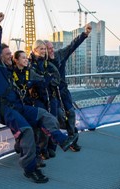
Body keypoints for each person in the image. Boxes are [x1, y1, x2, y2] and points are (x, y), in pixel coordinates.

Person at [0, 12, 77, 183]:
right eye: (7, 54)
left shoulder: (9, 69)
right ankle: (30, 169)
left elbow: (25, 74)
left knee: (44, 115)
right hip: (4, 109)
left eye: (11, 53)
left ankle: (61, 140)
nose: (10, 56)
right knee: (26, 130)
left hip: (16, 106)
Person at [44, 23, 92, 152]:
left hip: (63, 90)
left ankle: (73, 141)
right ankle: (58, 142)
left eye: (51, 47)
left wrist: (84, 34)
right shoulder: (43, 63)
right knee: (59, 117)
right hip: (53, 94)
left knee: (71, 113)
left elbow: (72, 45)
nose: (51, 50)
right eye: (48, 49)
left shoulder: (60, 55)